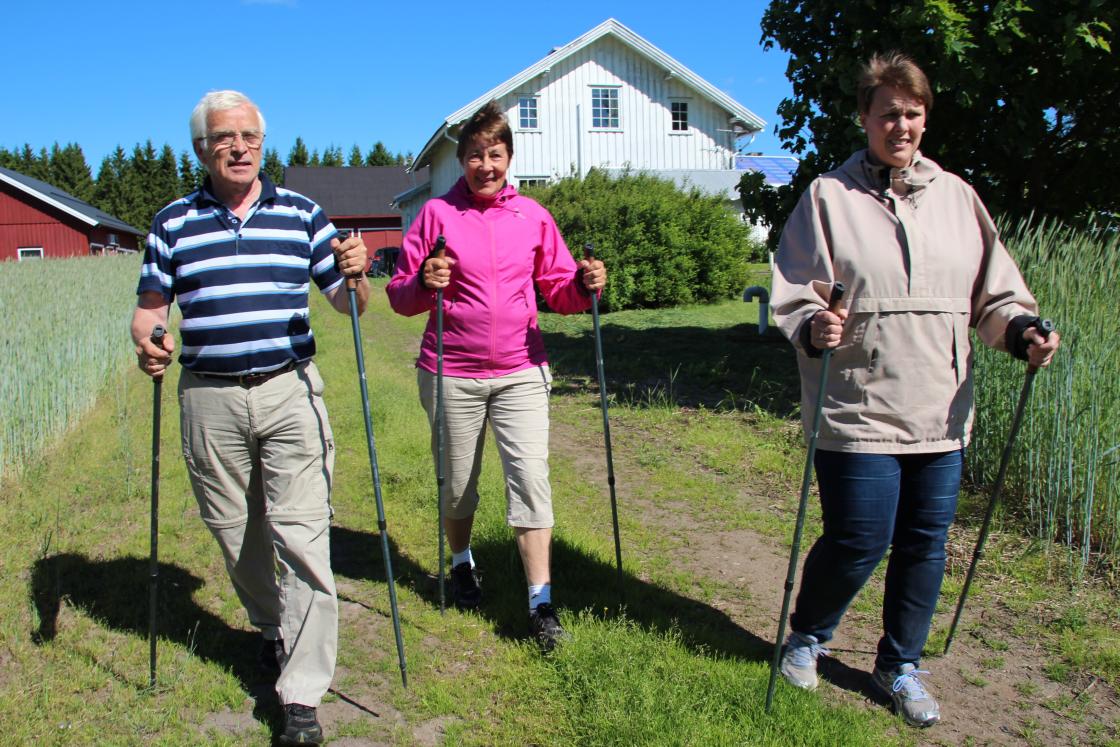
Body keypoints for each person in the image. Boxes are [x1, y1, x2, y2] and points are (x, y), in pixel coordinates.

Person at [770, 53, 1060, 728]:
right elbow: (792, 290)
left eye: (912, 112)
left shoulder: (958, 198)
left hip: (941, 409)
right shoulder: (827, 198)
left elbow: (995, 296)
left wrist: (1022, 333)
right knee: (859, 537)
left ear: (924, 117)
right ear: (865, 119)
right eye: (887, 112)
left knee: (927, 544)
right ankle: (808, 637)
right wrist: (816, 322)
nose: (900, 124)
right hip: (857, 406)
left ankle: (899, 662)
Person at [131, 90, 372, 746]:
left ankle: (301, 695)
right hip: (207, 396)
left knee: (302, 536)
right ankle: (272, 627)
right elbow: (151, 306)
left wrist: (357, 275)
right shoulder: (173, 222)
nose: (238, 147)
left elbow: (349, 305)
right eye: (224, 138)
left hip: (290, 390)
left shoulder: (302, 214)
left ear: (263, 143)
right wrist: (150, 337)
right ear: (201, 150)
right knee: (237, 533)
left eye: (249, 136)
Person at [386, 101, 606, 652]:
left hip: (521, 370)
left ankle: (540, 602)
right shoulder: (437, 215)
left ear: (509, 156)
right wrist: (424, 283)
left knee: (530, 478)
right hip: (451, 371)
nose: (487, 164)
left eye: (496, 153)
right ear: (462, 159)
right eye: (476, 155)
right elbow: (401, 294)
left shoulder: (531, 215)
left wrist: (584, 285)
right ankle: (462, 562)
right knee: (457, 485)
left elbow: (557, 288)